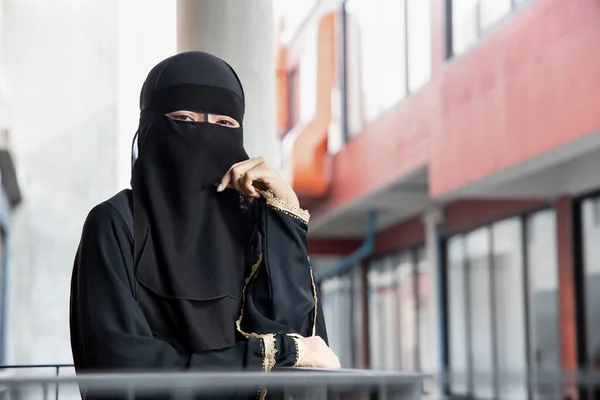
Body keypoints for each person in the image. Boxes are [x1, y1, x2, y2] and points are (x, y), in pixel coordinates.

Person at [69, 51, 340, 398]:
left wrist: (284, 213)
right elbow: (123, 370)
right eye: (184, 118)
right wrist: (266, 356)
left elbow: (305, 353)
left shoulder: (255, 228)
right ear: (150, 127)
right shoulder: (116, 224)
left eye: (224, 124)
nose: (205, 135)